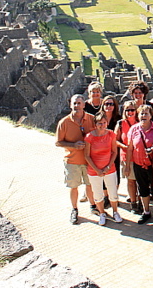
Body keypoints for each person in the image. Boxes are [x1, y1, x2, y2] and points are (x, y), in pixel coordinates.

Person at [55, 94, 96, 224]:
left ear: (84, 105)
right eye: (74, 103)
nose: (77, 106)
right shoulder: (64, 123)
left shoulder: (92, 119)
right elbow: (58, 142)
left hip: (89, 160)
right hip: (72, 161)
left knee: (90, 185)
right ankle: (74, 209)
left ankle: (93, 206)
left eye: (79, 103)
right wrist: (73, 145)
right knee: (74, 187)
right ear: (70, 105)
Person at [124, 105, 153, 224]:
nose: (143, 116)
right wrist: (127, 166)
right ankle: (146, 211)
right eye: (141, 114)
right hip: (138, 164)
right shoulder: (134, 129)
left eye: (146, 114)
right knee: (143, 189)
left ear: (151, 116)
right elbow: (130, 148)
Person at [84, 112, 122, 225]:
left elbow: (114, 152)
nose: (102, 125)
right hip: (94, 171)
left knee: (113, 192)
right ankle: (101, 213)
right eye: (100, 123)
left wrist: (108, 166)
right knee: (97, 193)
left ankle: (115, 212)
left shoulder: (111, 135)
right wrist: (97, 170)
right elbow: (87, 155)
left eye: (104, 123)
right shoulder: (89, 137)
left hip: (109, 169)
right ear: (95, 124)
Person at [115, 100, 141, 214]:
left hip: (139, 156)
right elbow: (115, 140)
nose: (130, 112)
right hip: (127, 157)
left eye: (132, 110)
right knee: (131, 181)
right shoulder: (121, 124)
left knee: (140, 181)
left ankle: (141, 202)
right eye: (127, 110)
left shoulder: (140, 122)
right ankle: (133, 203)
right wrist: (124, 147)